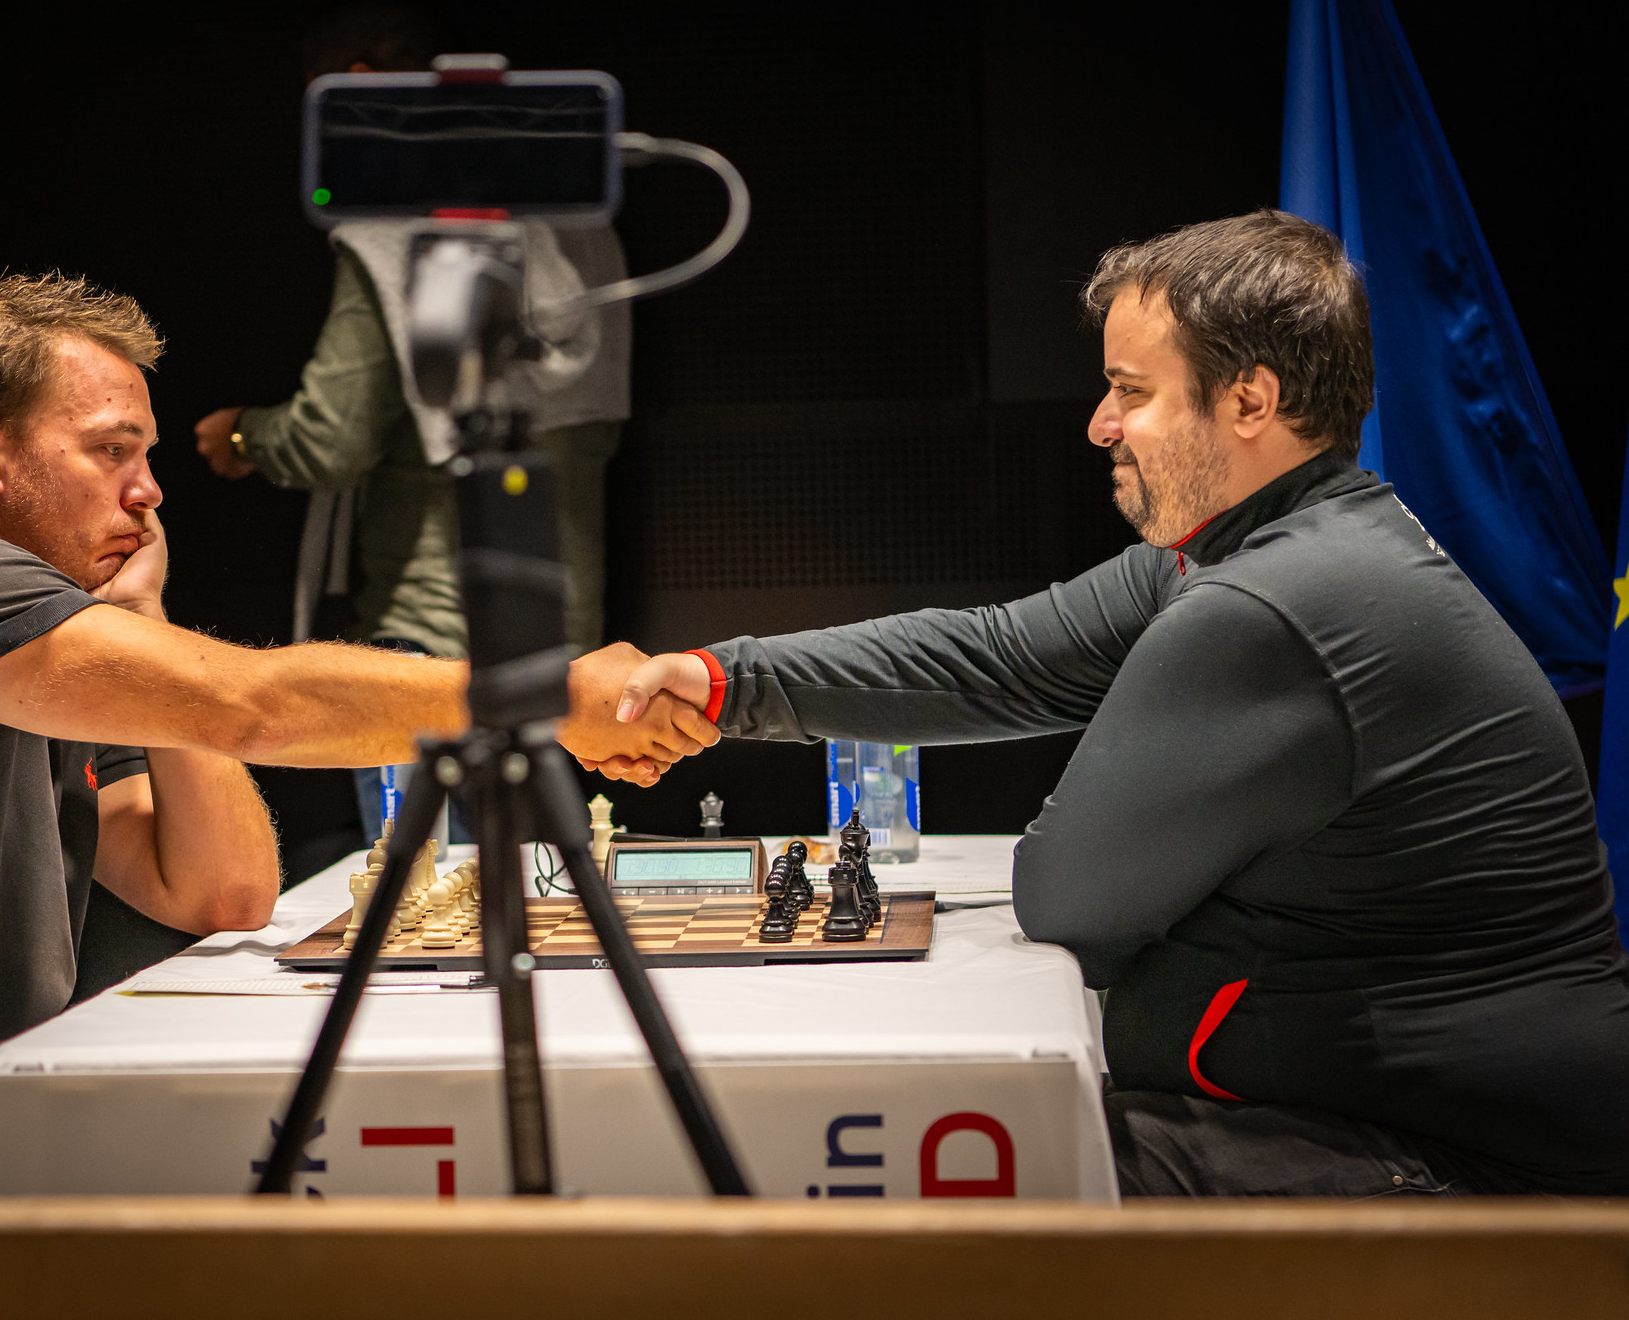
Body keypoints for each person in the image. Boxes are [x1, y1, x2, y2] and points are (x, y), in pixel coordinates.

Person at [596, 211, 1629, 1197]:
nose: (1099, 425)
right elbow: (996, 656)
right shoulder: (1274, 548)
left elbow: (1067, 899)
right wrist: (720, 682)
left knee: (980, 1176)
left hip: (1469, 1165)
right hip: (1395, 1116)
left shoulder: (1273, 604)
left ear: (1249, 401)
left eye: (1130, 391)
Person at [0, 272, 706, 1195]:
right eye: (110, 450)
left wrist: (142, 618)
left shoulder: (41, 653)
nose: (149, 492)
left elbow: (219, 892)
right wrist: (548, 695)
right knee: (277, 1176)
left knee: (296, 1162)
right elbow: (254, 704)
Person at [193, 0, 631, 843]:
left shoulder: (394, 234)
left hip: (427, 645)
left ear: (360, 88)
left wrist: (245, 433)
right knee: (532, 904)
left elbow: (331, 437)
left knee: (420, 913)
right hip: (556, 644)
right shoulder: (581, 227)